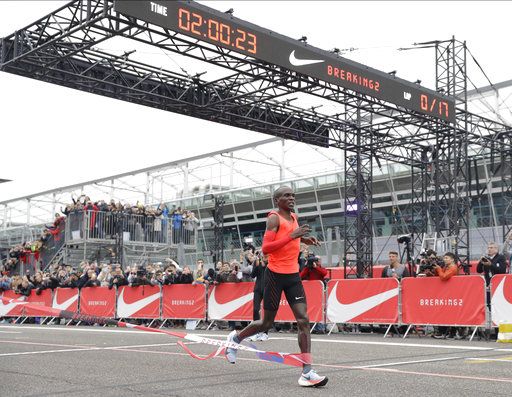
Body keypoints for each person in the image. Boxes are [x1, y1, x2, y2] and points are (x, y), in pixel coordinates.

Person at [224, 186, 328, 387]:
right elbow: (266, 248)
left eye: (293, 195)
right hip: (274, 276)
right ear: (277, 200)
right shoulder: (273, 218)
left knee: (303, 320)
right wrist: (292, 235)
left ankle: (307, 371)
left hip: (292, 276)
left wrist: (303, 238)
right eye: (286, 196)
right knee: (266, 323)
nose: (291, 198)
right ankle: (236, 339)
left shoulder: (293, 217)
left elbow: (290, 235)